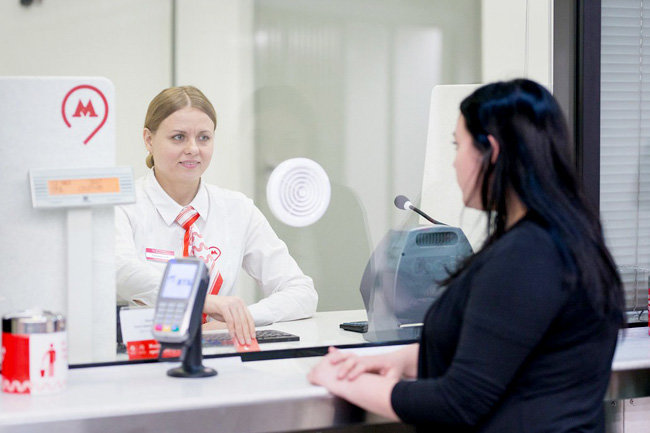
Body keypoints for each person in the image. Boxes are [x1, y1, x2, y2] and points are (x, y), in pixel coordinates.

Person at [308, 79, 625, 432]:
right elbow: (493, 349)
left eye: (458, 146)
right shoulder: (561, 238)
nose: (455, 162)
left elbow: (457, 404)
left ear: (492, 151)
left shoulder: (527, 256)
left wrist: (343, 381)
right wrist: (393, 360)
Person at [116, 85, 318, 345]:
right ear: (148, 139)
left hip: (219, 356)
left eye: (204, 138)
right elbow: (123, 273)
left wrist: (240, 317)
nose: (193, 148)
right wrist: (204, 301)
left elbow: (302, 292)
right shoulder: (123, 205)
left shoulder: (237, 209)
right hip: (140, 356)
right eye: (178, 137)